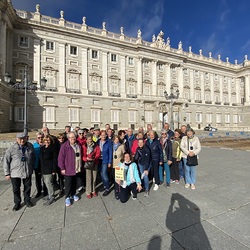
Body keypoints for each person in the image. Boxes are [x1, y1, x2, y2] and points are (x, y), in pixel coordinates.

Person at [3, 133, 35, 211]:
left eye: (23, 138)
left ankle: (27, 200)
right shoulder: (11, 149)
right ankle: (17, 203)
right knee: (16, 189)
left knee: (27, 187)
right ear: (16, 139)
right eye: (20, 139)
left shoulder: (30, 146)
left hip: (27, 171)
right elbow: (6, 161)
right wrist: (7, 173)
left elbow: (33, 157)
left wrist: (32, 167)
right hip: (15, 172)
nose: (22, 140)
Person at [58, 132, 82, 206]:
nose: (73, 139)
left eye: (74, 137)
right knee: (68, 183)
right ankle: (67, 197)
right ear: (68, 138)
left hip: (76, 167)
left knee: (74, 182)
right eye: (71, 137)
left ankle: (73, 194)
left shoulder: (78, 145)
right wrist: (62, 168)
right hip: (68, 167)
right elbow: (60, 158)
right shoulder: (65, 146)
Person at [39, 135, 59, 206]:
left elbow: (55, 160)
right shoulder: (42, 148)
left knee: (49, 182)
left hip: (50, 169)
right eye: (45, 140)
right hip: (43, 169)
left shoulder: (53, 148)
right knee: (45, 182)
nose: (46, 141)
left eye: (48, 140)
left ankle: (52, 197)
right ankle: (50, 194)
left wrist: (54, 170)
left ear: (51, 140)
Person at [82, 133, 101, 199]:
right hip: (88, 163)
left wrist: (94, 158)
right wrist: (86, 158)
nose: (90, 140)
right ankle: (88, 191)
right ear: (86, 139)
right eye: (89, 139)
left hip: (94, 162)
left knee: (94, 177)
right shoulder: (84, 145)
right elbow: (83, 155)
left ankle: (93, 190)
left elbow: (98, 153)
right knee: (89, 178)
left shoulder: (95, 145)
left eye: (91, 139)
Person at [98, 130, 113, 196]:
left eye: (104, 135)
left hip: (105, 160)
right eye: (102, 135)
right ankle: (104, 185)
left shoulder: (108, 142)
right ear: (100, 135)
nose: (103, 136)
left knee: (104, 174)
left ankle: (107, 188)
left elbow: (110, 153)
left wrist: (109, 162)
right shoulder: (98, 142)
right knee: (101, 174)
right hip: (99, 160)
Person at [33, 132, 47, 198]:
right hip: (37, 164)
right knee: (38, 179)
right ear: (36, 138)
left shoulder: (46, 144)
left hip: (45, 165)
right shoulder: (34, 145)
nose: (40, 139)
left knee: (45, 178)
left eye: (42, 137)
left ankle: (45, 190)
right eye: (39, 138)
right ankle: (39, 191)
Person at [111, 135, 126, 199]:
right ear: (113, 140)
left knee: (119, 179)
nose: (116, 140)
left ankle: (118, 192)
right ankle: (116, 191)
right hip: (112, 165)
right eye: (115, 139)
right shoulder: (111, 146)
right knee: (115, 179)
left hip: (119, 165)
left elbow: (124, 154)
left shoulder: (121, 146)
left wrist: (123, 162)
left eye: (117, 139)